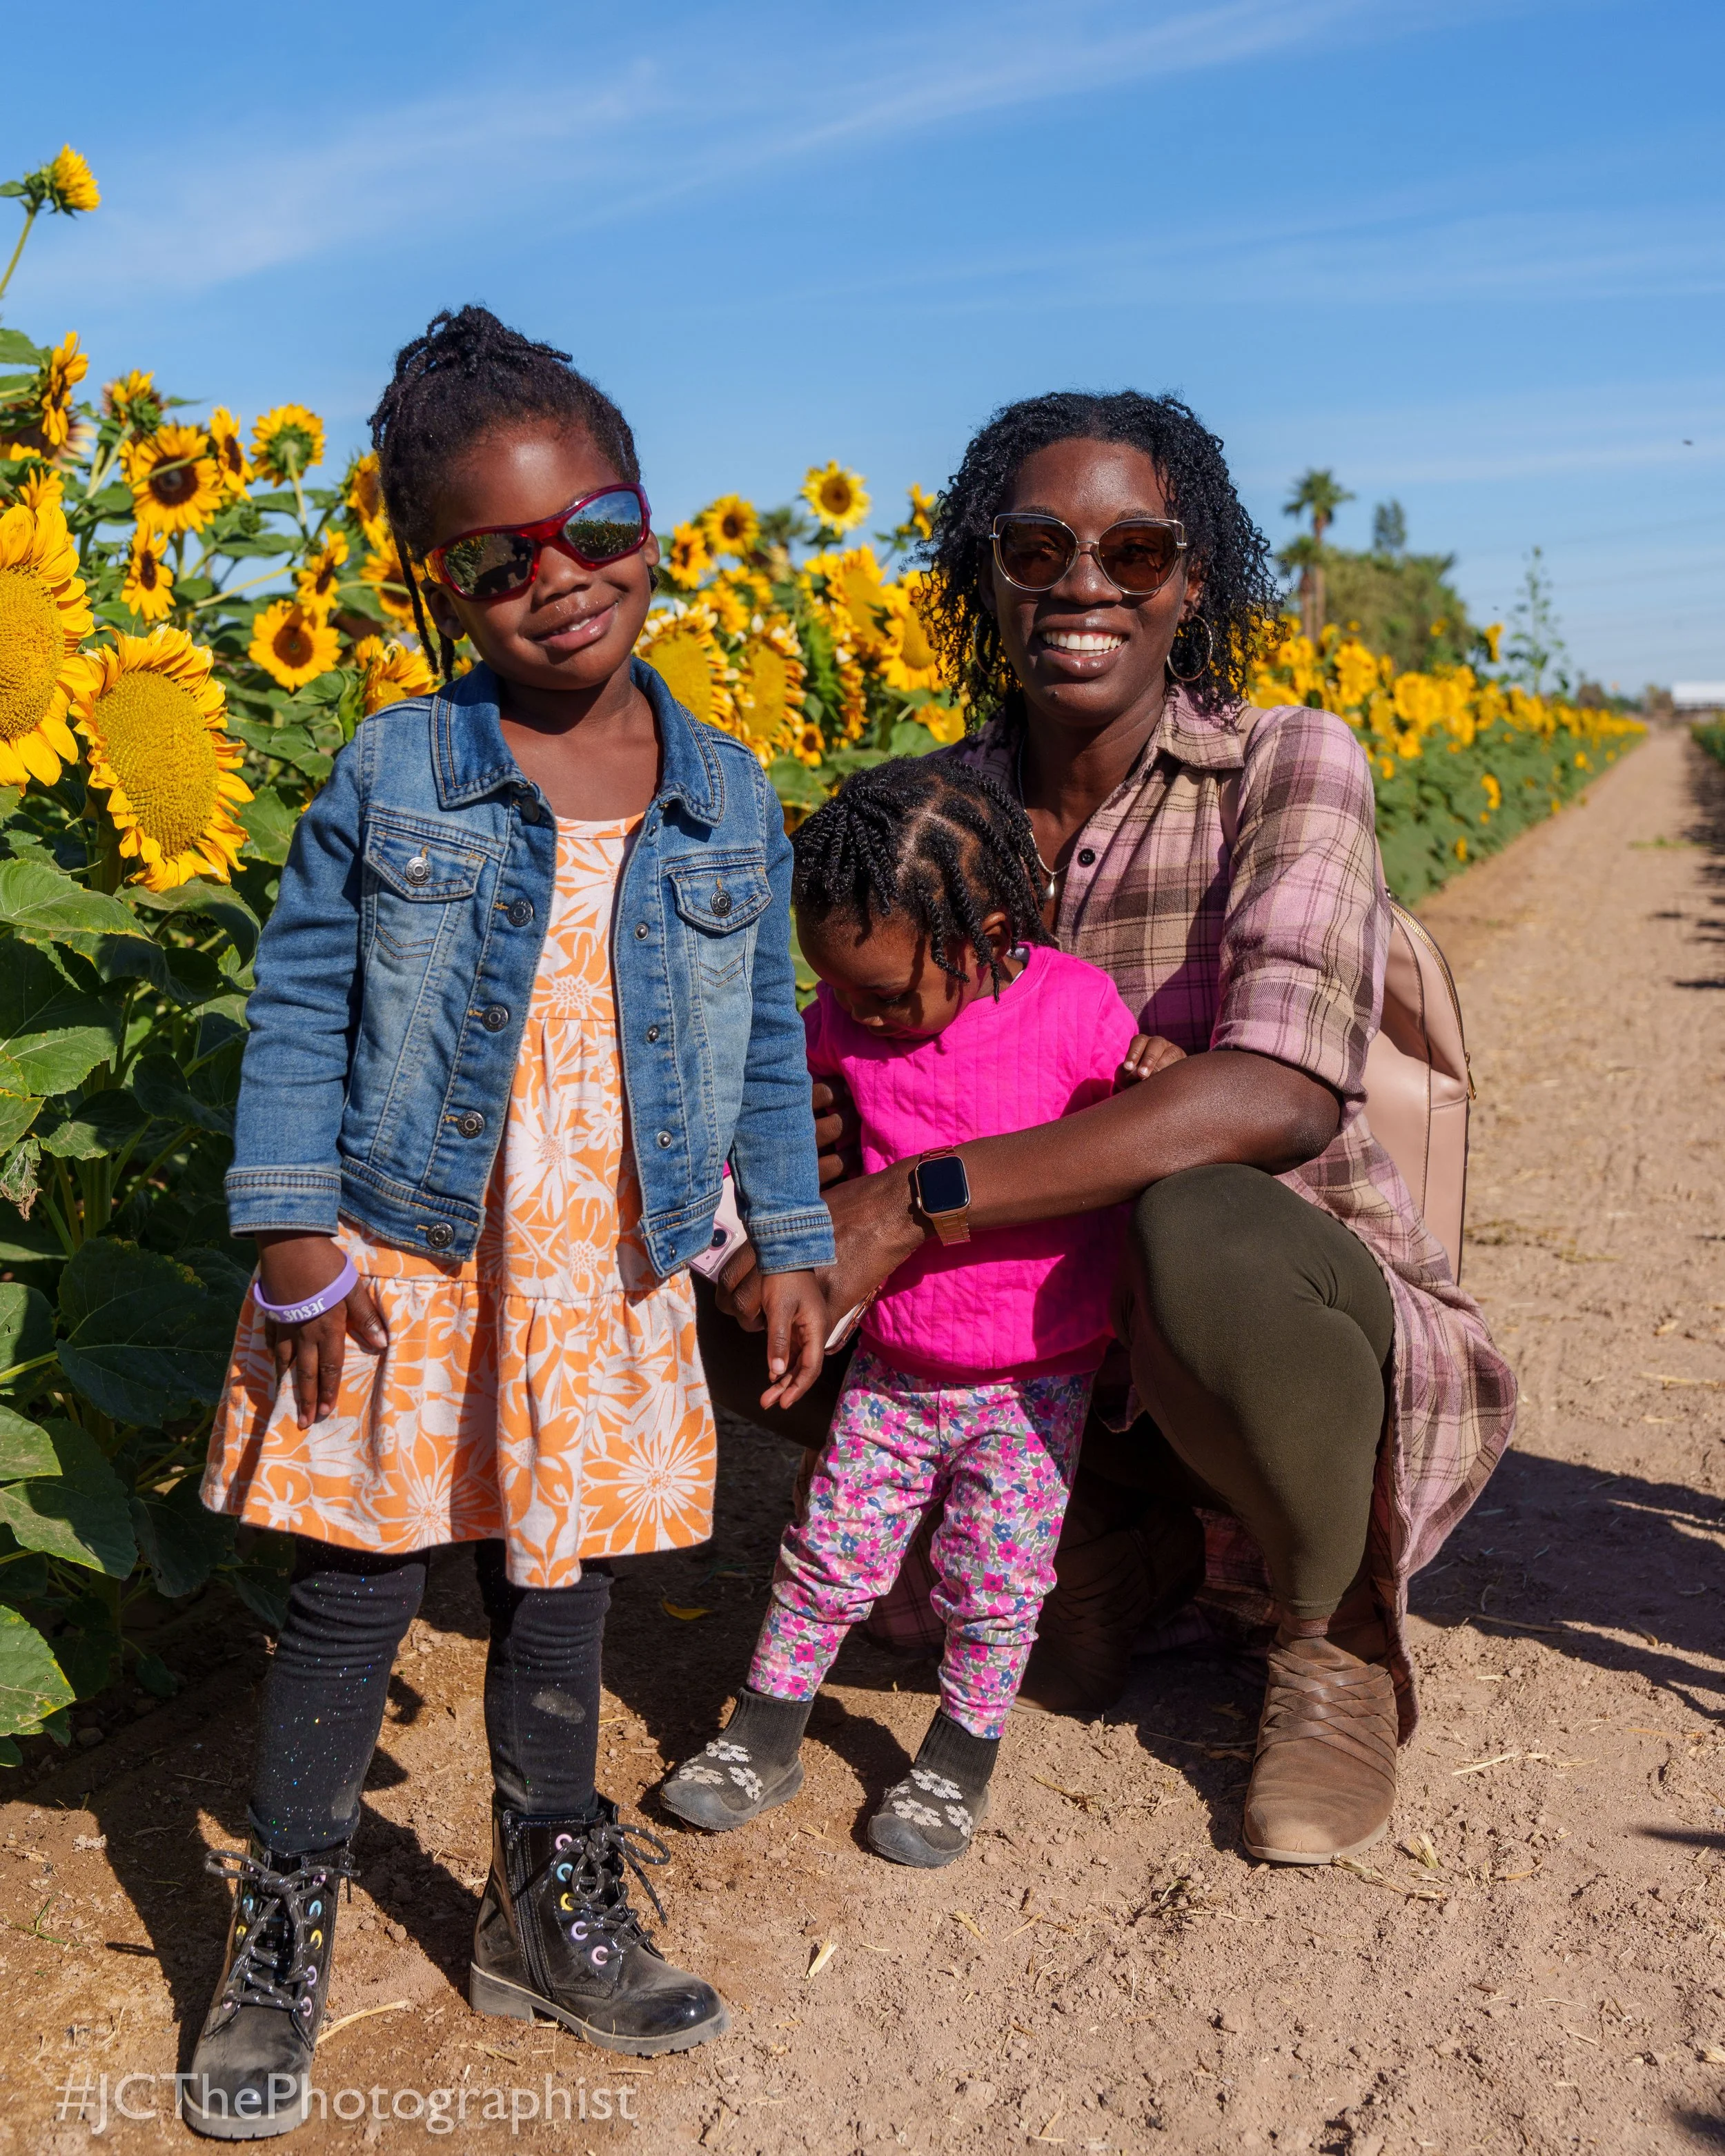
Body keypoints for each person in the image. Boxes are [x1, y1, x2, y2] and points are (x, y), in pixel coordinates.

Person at [702, 390, 1516, 1874]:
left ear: (1190, 582)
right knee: (736, 1240)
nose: (1083, 582)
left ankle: (1325, 1637)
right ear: (981, 574)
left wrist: (911, 1196)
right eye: (1035, 546)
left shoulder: (1283, 762)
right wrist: (813, 1136)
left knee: (1189, 1214)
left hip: (1255, 1305)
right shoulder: (927, 816)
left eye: (1134, 552)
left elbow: (1276, 1088)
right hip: (1026, 1346)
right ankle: (1088, 1556)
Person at [190, 306, 831, 2139]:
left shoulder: (722, 791)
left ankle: (545, 1904)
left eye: (598, 528)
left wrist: (784, 1228)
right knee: (351, 1589)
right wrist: (290, 1231)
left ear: (650, 522)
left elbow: (765, 1030)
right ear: (438, 588)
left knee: (562, 1596)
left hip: (601, 1281)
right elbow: (301, 997)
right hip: (394, 1261)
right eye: (498, 559)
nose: (561, 582)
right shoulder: (398, 769)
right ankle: (287, 1910)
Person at [663, 760, 1164, 1868]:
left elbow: (1144, 1124)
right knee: (824, 1555)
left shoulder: (1077, 1010)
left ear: (985, 934)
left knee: (995, 1582)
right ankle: (765, 1732)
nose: (861, 1013)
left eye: (888, 993)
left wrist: (1159, 1074)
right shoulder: (839, 1026)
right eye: (838, 991)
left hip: (1039, 1382)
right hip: (896, 1366)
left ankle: (958, 1758)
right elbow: (777, 1125)